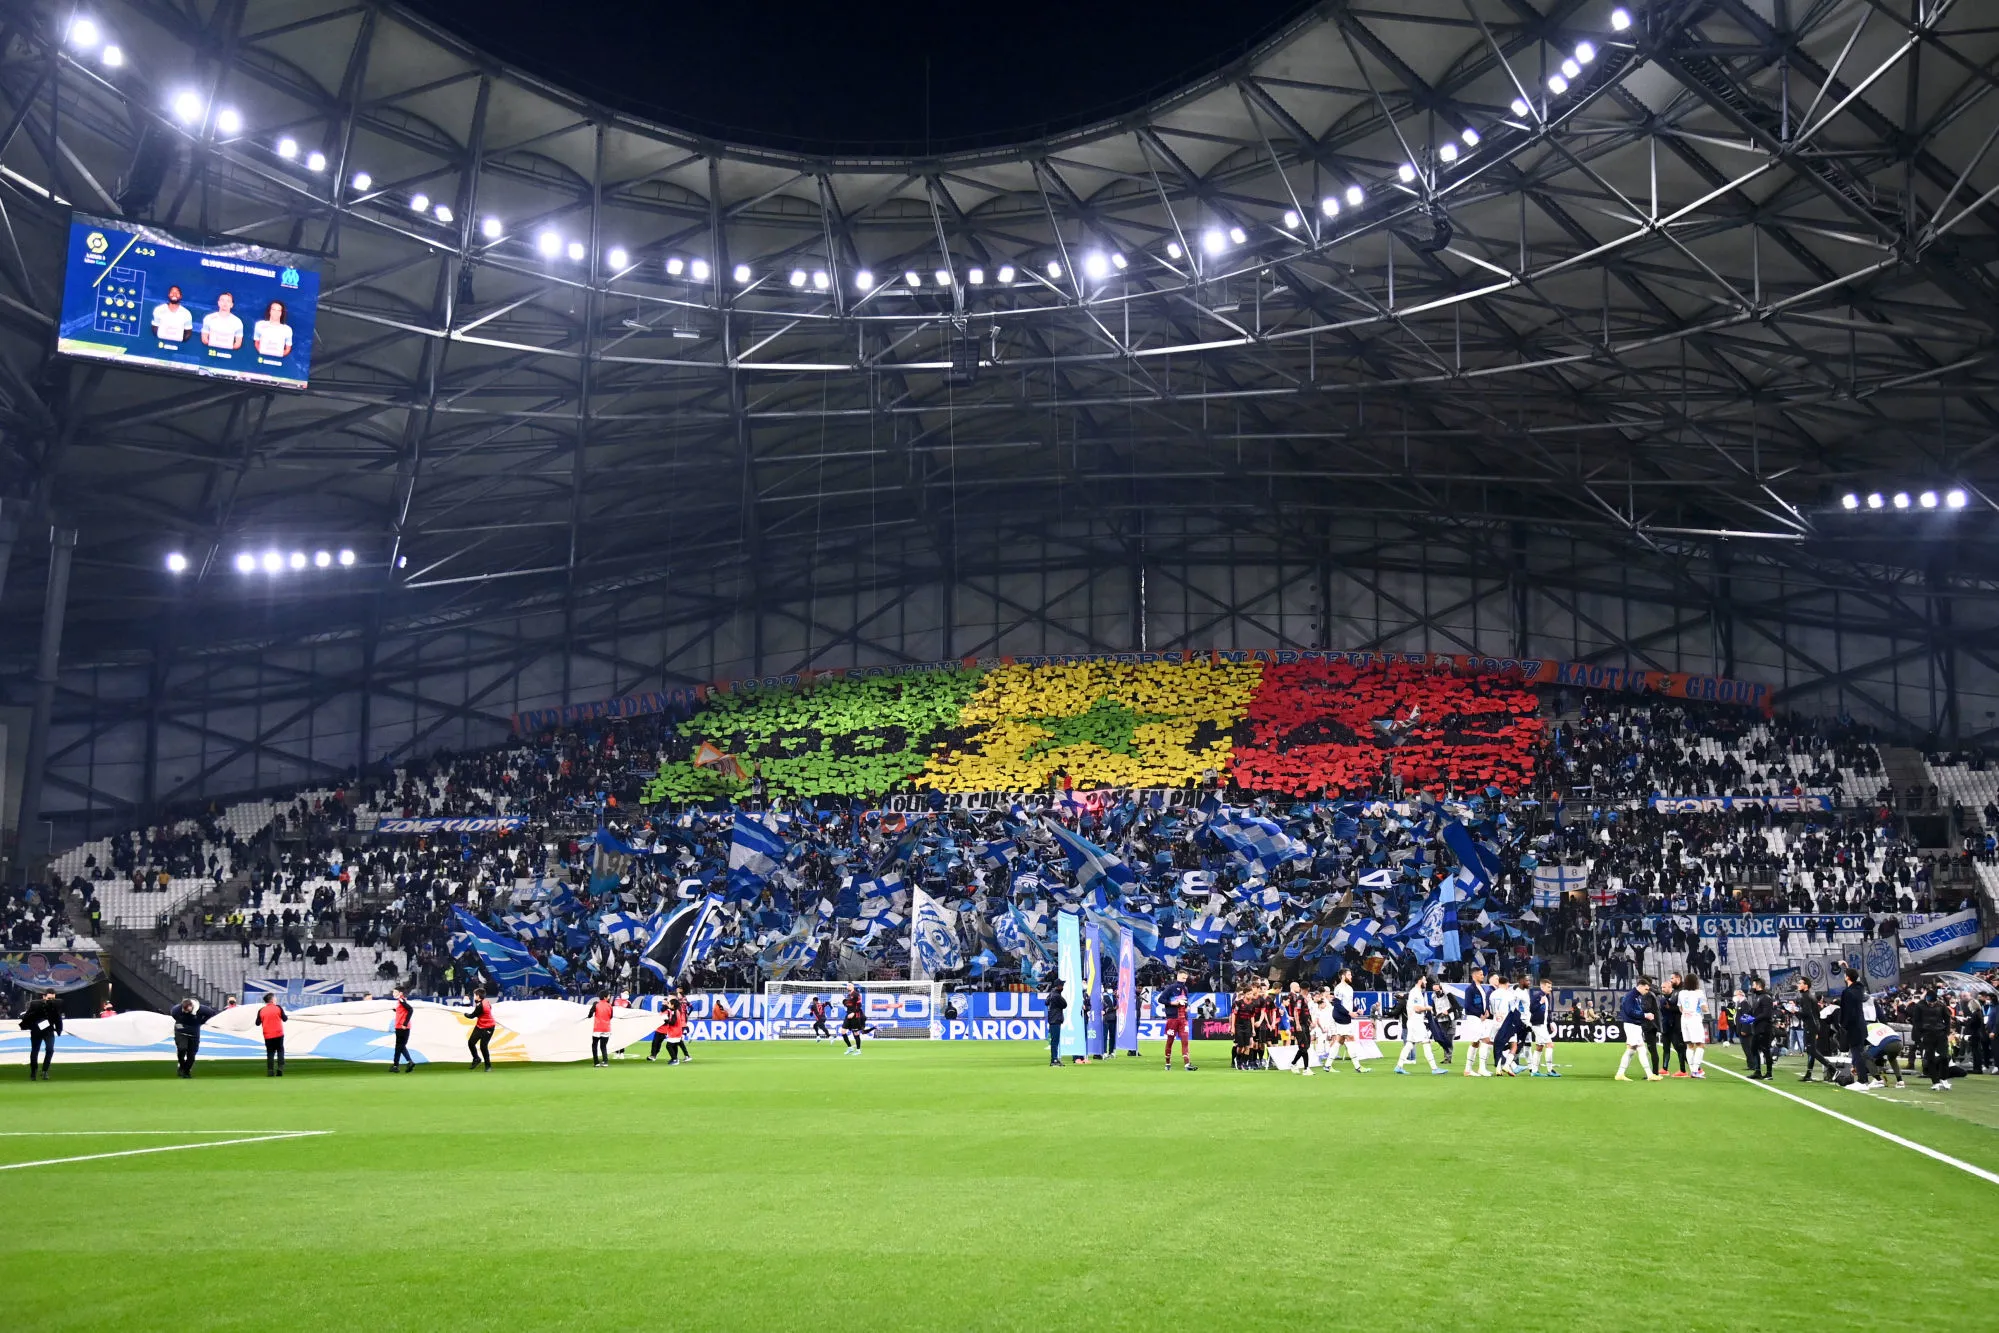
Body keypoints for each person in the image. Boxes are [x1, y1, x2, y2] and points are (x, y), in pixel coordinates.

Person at [1615, 978, 1663, 1081]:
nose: (1647, 991)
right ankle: (1650, 1074)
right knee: (1642, 1049)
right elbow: (1630, 1011)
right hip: (1632, 1026)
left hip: (1634, 1026)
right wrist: (1645, 1015)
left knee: (1631, 1051)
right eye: (1646, 989)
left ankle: (1620, 1073)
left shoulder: (1636, 996)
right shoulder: (1631, 996)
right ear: (1640, 986)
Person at [1395, 976, 1443, 1074]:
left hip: (1412, 1021)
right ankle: (1434, 1068)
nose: (1426, 982)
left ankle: (1399, 1066)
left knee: (1409, 1044)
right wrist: (1428, 1008)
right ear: (1420, 981)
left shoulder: (1415, 992)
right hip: (1416, 1022)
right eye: (1424, 980)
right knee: (1426, 1042)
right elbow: (1417, 1008)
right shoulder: (1416, 993)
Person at [1911, 987, 1953, 1091]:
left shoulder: (1941, 1005)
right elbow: (1916, 1022)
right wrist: (1920, 1035)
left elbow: (1947, 1019)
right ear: (1926, 999)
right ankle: (1935, 1082)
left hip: (1941, 1033)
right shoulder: (1919, 1006)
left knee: (1945, 1057)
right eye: (1930, 1002)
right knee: (1930, 1059)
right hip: (1926, 1034)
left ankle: (1943, 1078)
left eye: (1933, 1002)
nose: (1932, 1004)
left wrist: (1947, 1032)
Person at [1836, 969, 1872, 1089]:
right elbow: (1858, 981)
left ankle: (1862, 1081)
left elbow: (1847, 1011)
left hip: (1852, 1026)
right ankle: (1863, 1079)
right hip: (1861, 1026)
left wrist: (1843, 1025)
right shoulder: (1859, 989)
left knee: (1857, 1054)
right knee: (1858, 1053)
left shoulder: (1847, 992)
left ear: (1847, 977)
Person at [1328, 968, 1369, 1071]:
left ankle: (1327, 1065)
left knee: (1339, 1041)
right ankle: (1358, 1066)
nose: (1351, 977)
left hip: (1345, 1016)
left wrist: (1357, 1009)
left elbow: (1349, 1004)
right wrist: (1349, 1013)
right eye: (1349, 975)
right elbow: (1337, 1005)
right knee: (1350, 1038)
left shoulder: (1350, 989)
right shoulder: (1338, 988)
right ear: (1343, 976)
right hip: (1340, 1016)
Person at [1794, 978, 1831, 1083]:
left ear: (1806, 985)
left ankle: (1832, 1068)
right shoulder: (1811, 996)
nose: (1798, 985)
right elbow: (1816, 1014)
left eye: (1800, 983)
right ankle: (1808, 1074)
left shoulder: (1806, 997)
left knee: (1811, 1050)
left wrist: (1794, 1012)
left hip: (1810, 1026)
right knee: (1811, 1050)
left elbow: (1807, 1014)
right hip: (1814, 1025)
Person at [20, 990, 61, 1081]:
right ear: (44, 996)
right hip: (36, 1031)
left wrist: (59, 1029)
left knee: (50, 1049)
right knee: (35, 1051)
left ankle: (45, 1071)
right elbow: (28, 1016)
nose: (51, 1000)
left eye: (53, 999)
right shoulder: (35, 1004)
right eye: (49, 998)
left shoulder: (55, 1006)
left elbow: (58, 1018)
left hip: (49, 1031)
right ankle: (33, 1071)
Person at [1159, 970, 1196, 1072]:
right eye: (1183, 978)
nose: (1184, 980)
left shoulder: (1185, 988)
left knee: (1185, 1041)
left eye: (1186, 978)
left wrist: (1187, 1007)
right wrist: (1173, 1003)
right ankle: (1167, 1063)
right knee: (1170, 1041)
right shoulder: (1171, 988)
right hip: (1173, 1019)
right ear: (1178, 976)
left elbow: (1185, 1001)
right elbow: (1161, 999)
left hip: (1183, 1019)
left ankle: (1187, 1064)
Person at [1459, 966, 1492, 1077]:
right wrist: (1479, 1014)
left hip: (1480, 1019)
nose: (1483, 976)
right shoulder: (1470, 989)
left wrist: (1487, 1011)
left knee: (1479, 1041)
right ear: (1474, 975)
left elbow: (1484, 1002)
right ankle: (1475, 1069)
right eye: (1481, 974)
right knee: (1481, 1041)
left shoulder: (1481, 988)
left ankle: (1473, 1069)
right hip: (1474, 1018)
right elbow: (1467, 1006)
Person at [1740, 978, 1776, 1080]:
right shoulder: (1758, 997)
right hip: (1757, 1028)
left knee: (1765, 1050)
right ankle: (1758, 1071)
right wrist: (1747, 1016)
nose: (1752, 987)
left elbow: (1767, 1014)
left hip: (1764, 1028)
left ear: (1759, 986)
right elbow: (1754, 1011)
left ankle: (1769, 1073)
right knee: (1754, 1049)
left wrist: (1754, 1018)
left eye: (1753, 985)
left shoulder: (1766, 997)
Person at [1677, 975, 1708, 1079]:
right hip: (1694, 1019)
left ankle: (1692, 1070)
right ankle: (1695, 1071)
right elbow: (1704, 1008)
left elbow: (1680, 1008)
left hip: (1684, 1019)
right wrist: (1705, 1009)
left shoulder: (1681, 993)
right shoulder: (1699, 993)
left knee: (1689, 1045)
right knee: (1700, 1044)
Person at [649, 988, 691, 1064]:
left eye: (670, 999)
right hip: (674, 1030)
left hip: (675, 1030)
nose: (668, 1000)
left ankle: (675, 1059)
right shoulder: (674, 1009)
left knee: (670, 1045)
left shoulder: (675, 1010)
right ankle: (678, 1057)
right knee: (676, 1044)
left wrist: (666, 1020)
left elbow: (673, 1022)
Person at [1528, 977, 1560, 1077]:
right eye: (1548, 987)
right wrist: (1540, 1003)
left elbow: (1547, 1012)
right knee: (1550, 1045)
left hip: (1542, 1025)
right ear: (1542, 986)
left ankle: (1534, 1071)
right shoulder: (1537, 996)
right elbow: (1531, 1009)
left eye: (1551, 987)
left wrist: (1550, 1022)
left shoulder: (1546, 996)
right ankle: (1550, 1070)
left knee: (1539, 1047)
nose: (1550, 989)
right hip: (1538, 1025)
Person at [1659, 973, 1690, 1076]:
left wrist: (1670, 1008)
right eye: (1661, 987)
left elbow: (1681, 1008)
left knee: (1680, 1048)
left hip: (1675, 1026)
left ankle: (1691, 1068)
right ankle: (1664, 1069)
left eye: (1664, 987)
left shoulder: (1678, 994)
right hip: (1666, 1026)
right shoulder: (1664, 998)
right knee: (1666, 1047)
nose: (1662, 989)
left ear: (1670, 987)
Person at [172, 998, 207, 1078]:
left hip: (194, 1034)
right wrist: (183, 1022)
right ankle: (182, 1065)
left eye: (188, 1010)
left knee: (191, 1055)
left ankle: (186, 1071)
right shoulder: (176, 1010)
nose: (187, 1012)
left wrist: (200, 1021)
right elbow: (175, 1015)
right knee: (182, 1048)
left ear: (192, 1006)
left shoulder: (201, 1009)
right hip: (181, 1032)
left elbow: (211, 1013)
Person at [1285, 981, 1315, 1075]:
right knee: (1303, 1046)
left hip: (1305, 1025)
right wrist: (1297, 1024)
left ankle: (1293, 1063)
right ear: (1307, 989)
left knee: (1306, 1046)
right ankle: (1306, 1069)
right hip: (1300, 1025)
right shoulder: (1300, 999)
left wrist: (1310, 1023)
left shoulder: (1305, 999)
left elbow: (1306, 1013)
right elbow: (1296, 1012)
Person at [256, 993, 287, 1077]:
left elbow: (257, 1023)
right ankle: (280, 1068)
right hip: (278, 1033)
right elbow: (285, 1019)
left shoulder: (261, 1010)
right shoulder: (278, 1008)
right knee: (280, 1050)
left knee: (270, 1053)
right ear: (272, 999)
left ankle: (270, 1071)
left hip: (268, 1035)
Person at [465, 988, 496, 1070]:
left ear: (478, 996)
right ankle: (476, 1058)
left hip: (489, 1027)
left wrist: (465, 1014)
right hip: (480, 1026)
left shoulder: (481, 1006)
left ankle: (488, 1066)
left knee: (483, 1046)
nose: (473, 996)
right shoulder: (485, 1001)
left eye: (475, 995)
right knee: (471, 1043)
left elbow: (472, 1016)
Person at [1043, 974, 1067, 1067]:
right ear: (1059, 986)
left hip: (1052, 1019)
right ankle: (1054, 1060)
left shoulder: (1051, 994)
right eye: (1062, 985)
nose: (1063, 987)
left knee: (1054, 1040)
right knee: (1055, 1041)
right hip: (1056, 1019)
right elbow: (1064, 1004)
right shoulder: (1056, 995)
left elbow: (1046, 1002)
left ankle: (1055, 1059)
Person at [587, 992, 616, 1067]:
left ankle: (596, 1062)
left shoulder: (596, 1004)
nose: (609, 997)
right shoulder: (610, 1006)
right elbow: (611, 1016)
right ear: (605, 997)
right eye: (608, 996)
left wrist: (590, 1015)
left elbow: (590, 1014)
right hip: (606, 1028)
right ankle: (605, 1061)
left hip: (597, 1028)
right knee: (603, 1046)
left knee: (594, 1045)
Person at [840, 983, 870, 1055]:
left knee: (856, 1033)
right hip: (848, 1015)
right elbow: (850, 1004)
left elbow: (859, 1005)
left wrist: (853, 1013)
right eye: (847, 985)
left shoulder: (856, 994)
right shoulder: (848, 995)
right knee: (843, 1031)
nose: (848, 986)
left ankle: (858, 1050)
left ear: (853, 986)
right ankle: (850, 1048)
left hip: (855, 1015)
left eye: (850, 985)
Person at [390, 989, 415, 1072]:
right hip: (403, 1026)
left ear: (400, 993)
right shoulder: (401, 1000)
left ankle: (395, 1066)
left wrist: (405, 1023)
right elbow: (403, 1011)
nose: (393, 993)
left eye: (395, 992)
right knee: (401, 1046)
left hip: (401, 1027)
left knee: (399, 1046)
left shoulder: (401, 1000)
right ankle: (409, 1062)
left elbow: (410, 1010)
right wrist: (396, 1010)